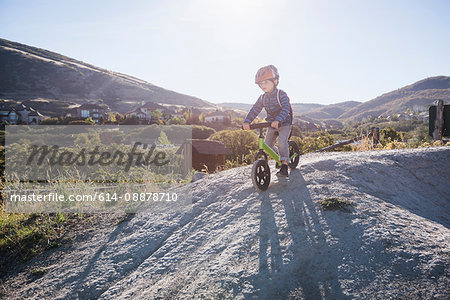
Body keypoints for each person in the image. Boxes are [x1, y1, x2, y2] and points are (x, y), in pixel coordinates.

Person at [243, 65, 293, 177]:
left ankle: (284, 165)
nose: (262, 86)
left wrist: (278, 119)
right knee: (267, 145)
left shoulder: (281, 94)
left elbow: (285, 108)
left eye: (266, 82)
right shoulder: (262, 98)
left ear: (275, 81)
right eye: (260, 84)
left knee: (281, 143)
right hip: (271, 124)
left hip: (284, 123)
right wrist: (247, 122)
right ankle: (279, 157)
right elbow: (255, 109)